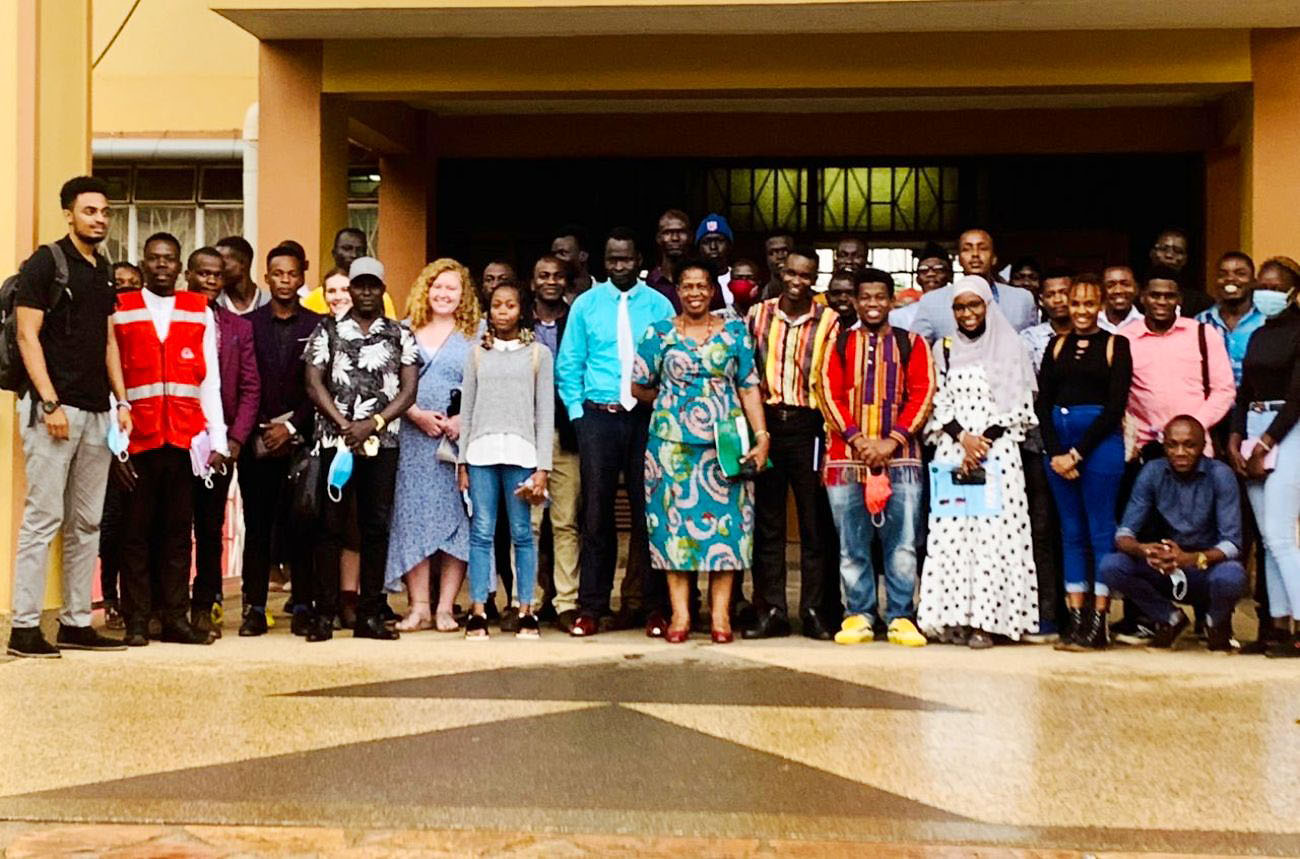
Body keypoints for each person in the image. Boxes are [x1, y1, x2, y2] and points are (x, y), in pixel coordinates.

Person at [6, 176, 131, 658]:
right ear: (69, 214)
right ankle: (23, 628)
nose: (99, 218)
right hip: (54, 412)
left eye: (104, 211)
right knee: (43, 517)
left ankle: (77, 622)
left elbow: (107, 341)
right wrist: (50, 402)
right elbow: (26, 336)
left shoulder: (102, 269)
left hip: (99, 413)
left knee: (86, 523)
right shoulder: (47, 263)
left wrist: (123, 402)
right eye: (89, 211)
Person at [631, 262, 770, 643]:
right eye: (687, 286)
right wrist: (673, 405)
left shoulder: (736, 334)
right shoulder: (657, 334)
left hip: (725, 449)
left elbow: (749, 387)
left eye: (702, 287)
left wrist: (762, 436)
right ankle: (680, 617)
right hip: (671, 451)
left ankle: (721, 618)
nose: (694, 293)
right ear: (677, 290)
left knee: (728, 531)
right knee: (673, 531)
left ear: (712, 291)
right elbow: (639, 387)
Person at [555, 227, 675, 637]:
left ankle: (653, 607)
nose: (620, 266)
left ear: (639, 259)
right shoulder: (586, 305)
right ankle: (592, 606)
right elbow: (569, 364)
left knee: (649, 513)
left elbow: (669, 363)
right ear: (603, 262)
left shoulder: (659, 305)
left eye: (626, 258)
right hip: (598, 417)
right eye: (613, 259)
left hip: (646, 417)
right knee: (596, 513)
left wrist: (661, 409)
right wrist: (578, 415)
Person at [112, 232, 227, 647]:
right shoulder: (120, 308)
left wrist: (219, 440)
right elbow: (111, 378)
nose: (162, 266)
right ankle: (137, 619)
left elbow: (209, 381)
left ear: (181, 268)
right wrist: (115, 445)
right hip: (136, 439)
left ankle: (176, 617)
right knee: (136, 533)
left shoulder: (198, 310)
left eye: (170, 259)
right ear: (143, 263)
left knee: (180, 533)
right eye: (155, 259)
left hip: (184, 438)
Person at [917, 276, 1039, 649]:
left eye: (974, 305)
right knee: (953, 535)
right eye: (960, 307)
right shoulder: (945, 348)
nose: (967, 313)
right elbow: (937, 400)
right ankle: (954, 619)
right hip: (954, 453)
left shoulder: (1012, 346)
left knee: (992, 538)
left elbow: (1020, 405)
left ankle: (989, 622)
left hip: (998, 455)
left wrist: (981, 442)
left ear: (988, 305)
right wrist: (962, 439)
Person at [819, 268, 935, 647]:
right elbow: (826, 393)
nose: (872, 304)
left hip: (901, 460)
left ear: (892, 300)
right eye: (865, 298)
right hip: (846, 460)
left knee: (901, 543)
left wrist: (891, 442)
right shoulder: (837, 344)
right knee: (852, 544)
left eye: (879, 297)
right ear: (854, 301)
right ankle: (859, 614)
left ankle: (901, 615)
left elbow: (923, 394)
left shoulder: (912, 343)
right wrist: (858, 440)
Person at [306, 257, 419, 641]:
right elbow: (313, 382)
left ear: (383, 289)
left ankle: (370, 614)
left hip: (381, 442)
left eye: (373, 285)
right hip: (335, 443)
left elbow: (408, 391)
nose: (366, 292)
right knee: (329, 526)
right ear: (350, 289)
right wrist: (344, 426)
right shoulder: (328, 328)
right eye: (360, 285)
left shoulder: (400, 334)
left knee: (375, 526)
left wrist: (373, 423)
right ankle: (324, 614)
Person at [743, 246, 841, 640]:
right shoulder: (758, 314)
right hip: (767, 423)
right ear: (781, 273)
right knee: (767, 523)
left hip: (810, 425)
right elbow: (746, 372)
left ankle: (814, 611)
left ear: (814, 280)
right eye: (793, 274)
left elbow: (833, 378)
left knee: (814, 522)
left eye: (807, 276)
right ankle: (770, 611)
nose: (798, 282)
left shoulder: (830, 320)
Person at [1094, 416, 1246, 651]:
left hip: (1205, 567)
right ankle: (1170, 618)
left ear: (1202, 445)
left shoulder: (1220, 474)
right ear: (1164, 446)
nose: (1180, 452)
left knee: (1233, 575)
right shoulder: (1153, 471)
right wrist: (1144, 550)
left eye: (1189, 445)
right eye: (1172, 445)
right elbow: (1124, 533)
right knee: (1111, 565)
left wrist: (1191, 558)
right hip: (1167, 566)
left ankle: (1215, 624)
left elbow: (1232, 543)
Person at [1037, 279, 1133, 650]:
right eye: (1074, 303)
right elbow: (1042, 403)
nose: (1079, 310)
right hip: (1058, 451)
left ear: (1100, 305)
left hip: (1099, 447)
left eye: (1088, 303)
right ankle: (1076, 621)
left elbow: (1115, 407)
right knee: (1070, 533)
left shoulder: (1115, 345)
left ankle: (1099, 622)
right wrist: (1055, 452)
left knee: (1099, 531)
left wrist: (1078, 454)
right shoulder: (1055, 345)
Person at [457, 280, 553, 639]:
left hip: (521, 453)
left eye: (510, 305)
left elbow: (545, 414)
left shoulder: (538, 355)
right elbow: (466, 411)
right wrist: (462, 462)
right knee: (481, 531)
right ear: (488, 309)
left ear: (521, 310)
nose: (502, 311)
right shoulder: (477, 353)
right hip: (481, 452)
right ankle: (479, 609)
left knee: (522, 533)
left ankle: (525, 607)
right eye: (496, 305)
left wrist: (542, 466)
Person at [385, 259, 477, 632]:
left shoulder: (477, 333)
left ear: (463, 295)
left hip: (456, 442)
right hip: (412, 436)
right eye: (437, 286)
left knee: (457, 521)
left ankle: (445, 607)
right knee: (411, 519)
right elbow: (388, 382)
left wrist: (463, 420)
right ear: (426, 289)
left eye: (452, 288)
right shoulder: (403, 331)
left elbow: (488, 384)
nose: (443, 294)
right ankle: (419, 606)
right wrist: (415, 413)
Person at [238, 245, 323, 637]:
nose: (285, 281)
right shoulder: (248, 325)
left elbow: (322, 387)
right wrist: (259, 427)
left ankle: (304, 604)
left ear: (302, 276)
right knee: (257, 525)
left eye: (292, 274)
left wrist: (291, 429)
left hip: (302, 441)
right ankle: (254, 606)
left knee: (302, 525)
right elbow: (240, 380)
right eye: (278, 274)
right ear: (266, 277)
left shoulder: (319, 326)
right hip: (258, 441)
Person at [182, 247, 260, 638]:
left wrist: (232, 441)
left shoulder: (238, 327)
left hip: (219, 444)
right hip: (176, 439)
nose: (210, 281)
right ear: (189, 275)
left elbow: (250, 388)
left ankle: (206, 604)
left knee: (211, 529)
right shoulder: (174, 316)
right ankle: (171, 607)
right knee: (175, 528)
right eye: (203, 274)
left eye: (216, 275)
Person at [1228, 257, 1300, 658]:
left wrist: (1267, 442)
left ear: (1292, 293)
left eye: (1276, 288)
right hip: (1253, 429)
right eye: (1263, 286)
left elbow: (1297, 398)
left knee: (1280, 534)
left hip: (1288, 432)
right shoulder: (1257, 334)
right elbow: (1243, 392)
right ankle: (1276, 626)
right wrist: (1236, 437)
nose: (1267, 293)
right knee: (1268, 544)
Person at [1120, 267, 1235, 459]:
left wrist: (1192, 427)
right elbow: (1118, 395)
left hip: (1196, 446)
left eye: (1169, 296)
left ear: (1179, 299)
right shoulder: (1124, 340)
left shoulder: (1203, 334)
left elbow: (1224, 390)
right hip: (1145, 448)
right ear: (1142, 297)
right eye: (1155, 295)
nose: (1162, 302)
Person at [529, 255, 582, 629]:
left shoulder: (576, 320)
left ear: (567, 282)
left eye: (557, 276)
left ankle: (566, 602)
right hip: (525, 434)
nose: (550, 281)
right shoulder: (516, 321)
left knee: (566, 522)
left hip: (566, 433)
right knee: (528, 524)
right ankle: (527, 601)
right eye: (543, 276)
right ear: (532, 283)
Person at [908, 229, 1039, 341]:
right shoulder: (932, 301)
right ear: (959, 259)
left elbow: (1032, 349)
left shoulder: (1022, 299)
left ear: (994, 258)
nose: (975, 254)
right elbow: (919, 352)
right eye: (967, 249)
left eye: (982, 248)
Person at [1196, 252, 1265, 388]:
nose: (1230, 279)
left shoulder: (1265, 321)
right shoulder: (1200, 323)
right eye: (1223, 275)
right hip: (1214, 404)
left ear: (1253, 282)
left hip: (1255, 406)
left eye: (1240, 274)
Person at [302, 229, 397, 317]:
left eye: (360, 250)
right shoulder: (314, 298)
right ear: (334, 253)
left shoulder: (378, 297)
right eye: (347, 248)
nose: (354, 255)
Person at [1020, 268, 1074, 373]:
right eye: (1050, 295)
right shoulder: (1030, 338)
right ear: (1041, 300)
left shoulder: (1095, 333)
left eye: (1064, 293)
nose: (1058, 300)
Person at [891, 242, 952, 328]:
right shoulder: (900, 316)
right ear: (917, 279)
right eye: (924, 270)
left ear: (950, 276)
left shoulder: (961, 312)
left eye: (938, 269)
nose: (930, 274)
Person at [646, 209, 694, 310]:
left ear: (690, 237)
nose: (675, 238)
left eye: (681, 232)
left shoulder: (704, 281)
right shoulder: (647, 283)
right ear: (658, 238)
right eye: (668, 233)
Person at [214, 236, 270, 315]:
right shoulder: (214, 304)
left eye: (222, 264)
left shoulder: (269, 302)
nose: (217, 269)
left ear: (243, 263)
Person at [695, 214, 735, 308]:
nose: (713, 247)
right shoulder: (691, 282)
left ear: (730, 245)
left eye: (719, 240)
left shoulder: (739, 279)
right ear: (698, 248)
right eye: (706, 242)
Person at [551, 224, 593, 298]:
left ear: (583, 256)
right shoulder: (548, 297)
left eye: (562, 253)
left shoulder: (606, 294)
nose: (556, 259)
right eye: (553, 254)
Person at [1099, 265, 1143, 332]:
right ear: (1101, 290)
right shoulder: (1094, 322)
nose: (1118, 291)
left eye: (1125, 284)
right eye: (1110, 285)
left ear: (1136, 289)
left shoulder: (1144, 324)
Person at [761, 233, 794, 300]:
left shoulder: (814, 300)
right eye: (773, 252)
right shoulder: (759, 299)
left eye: (785, 251)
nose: (780, 256)